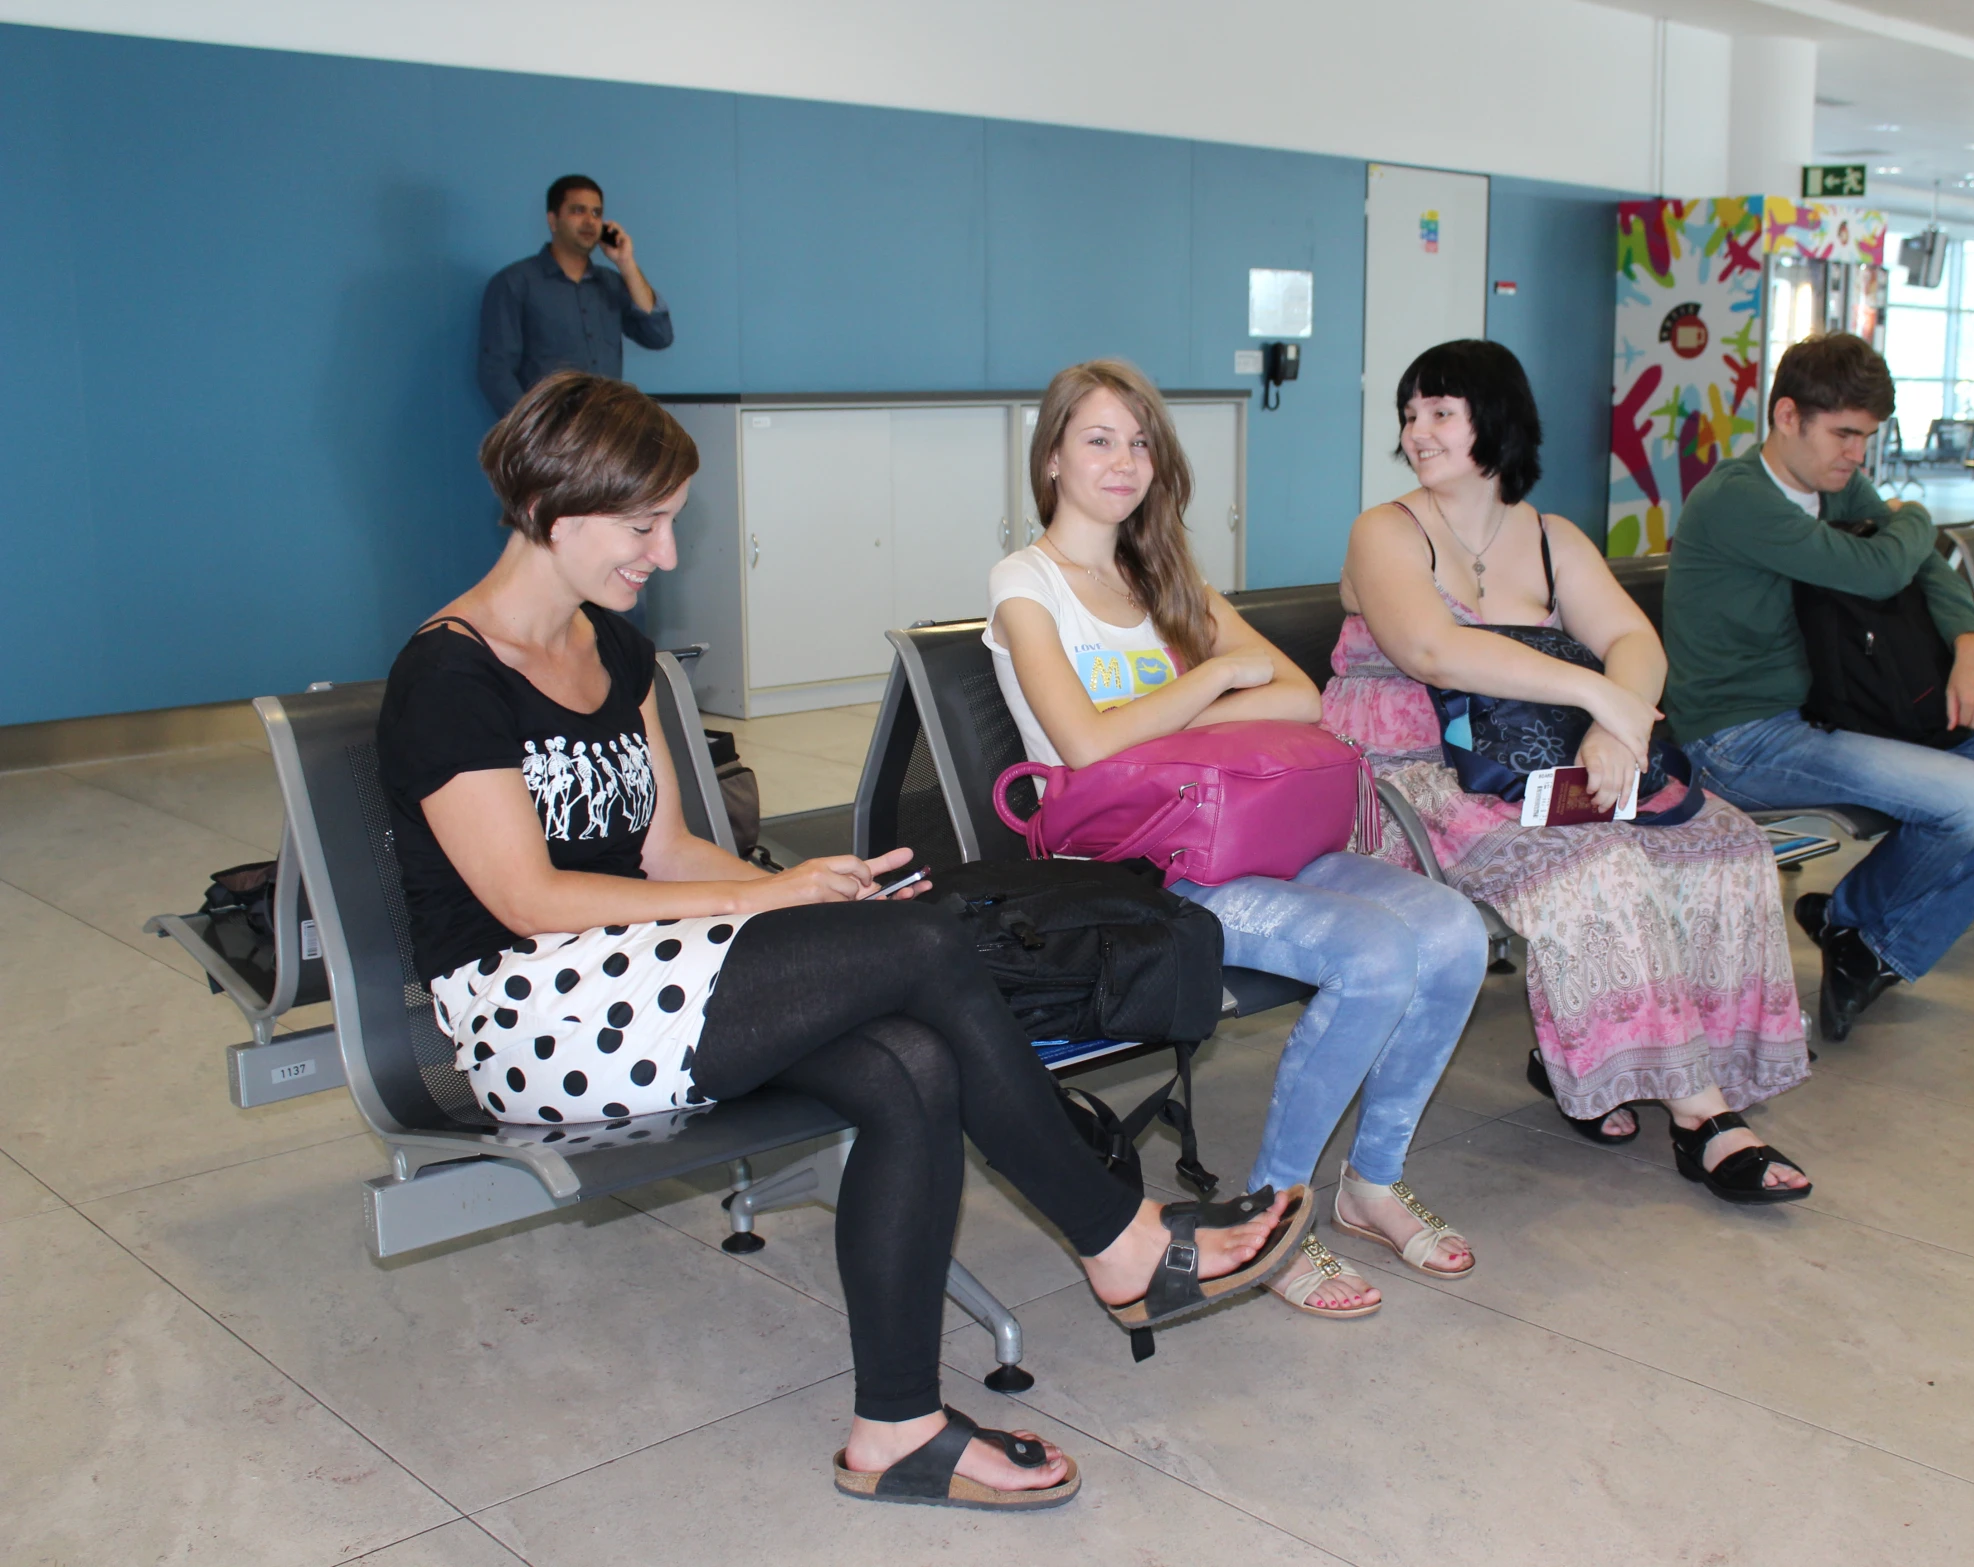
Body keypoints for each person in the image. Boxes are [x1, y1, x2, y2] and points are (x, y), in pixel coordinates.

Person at [376, 371, 1305, 1511]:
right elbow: (524, 898)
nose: (665, 556)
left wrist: (802, 884)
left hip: (650, 976)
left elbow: (665, 851)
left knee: (910, 1063)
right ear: (555, 510)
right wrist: (765, 908)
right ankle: (1119, 1241)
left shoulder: (610, 653)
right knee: (919, 949)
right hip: (532, 1013)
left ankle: (894, 1427)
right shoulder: (448, 675)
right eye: (646, 525)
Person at [988, 360, 1492, 1317]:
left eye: (1140, 441)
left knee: (1456, 931)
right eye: (1098, 439)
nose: (1125, 460)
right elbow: (1082, 743)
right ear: (1051, 457)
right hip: (1141, 867)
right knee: (1378, 955)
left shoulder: (1167, 571)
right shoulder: (1026, 583)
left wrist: (1180, 709)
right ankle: (1271, 1219)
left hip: (1244, 835)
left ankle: (1370, 1182)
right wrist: (1214, 684)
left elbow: (1300, 695)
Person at [1331, 339, 1813, 1206]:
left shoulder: (1552, 537)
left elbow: (1636, 641)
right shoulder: (1384, 530)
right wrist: (1596, 693)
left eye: (1442, 411)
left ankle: (1618, 1065)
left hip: (1535, 762)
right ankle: (1701, 1116)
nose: (1419, 432)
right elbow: (1431, 649)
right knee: (1595, 867)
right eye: (1410, 415)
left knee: (1724, 845)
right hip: (1413, 778)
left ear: (1497, 419)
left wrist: (1611, 730)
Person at [1664, 333, 1974, 1040]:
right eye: (1844, 434)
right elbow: (1881, 567)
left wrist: (1971, 641)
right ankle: (1860, 928)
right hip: (1739, 738)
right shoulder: (1734, 500)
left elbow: (1922, 572)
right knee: (1967, 798)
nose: (1857, 455)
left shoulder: (1838, 485)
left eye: (1868, 437)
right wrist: (1917, 517)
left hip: (1830, 714)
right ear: (1787, 416)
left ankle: (1864, 937)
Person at [477, 176, 674, 417]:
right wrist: (533, 431)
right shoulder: (515, 283)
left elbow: (659, 336)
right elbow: (496, 371)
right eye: (578, 211)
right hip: (547, 436)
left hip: (604, 431)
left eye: (596, 213)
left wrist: (627, 264)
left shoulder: (610, 283)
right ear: (553, 220)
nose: (590, 222)